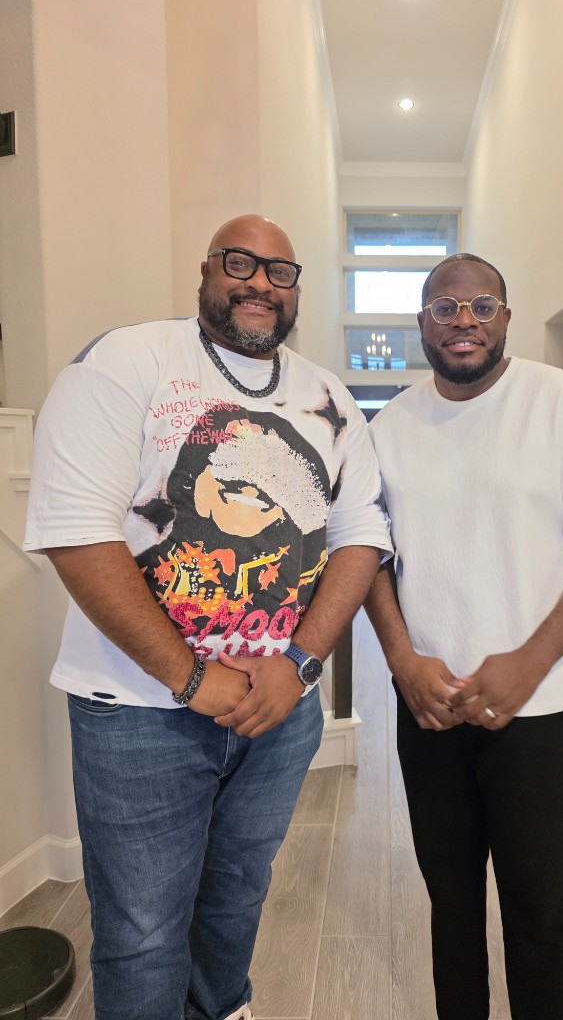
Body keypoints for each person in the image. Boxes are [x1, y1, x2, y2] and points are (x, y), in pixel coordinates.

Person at [23, 215, 392, 1020]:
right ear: (206, 271)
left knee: (237, 896)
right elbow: (74, 529)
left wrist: (298, 666)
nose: (260, 282)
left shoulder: (329, 396)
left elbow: (361, 534)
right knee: (143, 931)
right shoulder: (128, 361)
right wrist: (190, 676)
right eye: (240, 262)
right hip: (138, 713)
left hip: (278, 714)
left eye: (280, 271)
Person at [364, 253, 563, 1020]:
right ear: (422, 323)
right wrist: (402, 661)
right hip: (429, 707)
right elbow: (366, 556)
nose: (464, 321)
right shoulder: (389, 428)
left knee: (540, 911)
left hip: (538, 708)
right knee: (450, 903)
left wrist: (531, 661)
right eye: (445, 308)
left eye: (481, 306)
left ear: (506, 317)